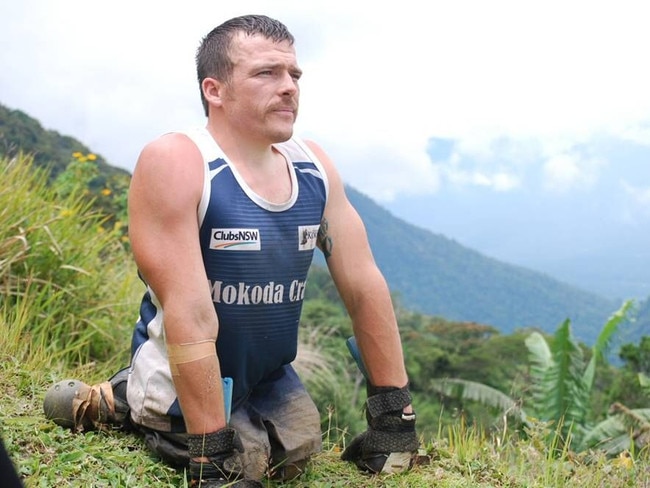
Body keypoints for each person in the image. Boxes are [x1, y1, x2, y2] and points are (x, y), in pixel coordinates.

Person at [44, 14, 418, 486]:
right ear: (214, 90)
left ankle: (126, 395)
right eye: (267, 73)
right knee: (244, 465)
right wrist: (210, 455)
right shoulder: (178, 162)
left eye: (294, 75)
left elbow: (364, 285)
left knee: (297, 449)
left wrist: (393, 417)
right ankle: (127, 399)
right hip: (185, 373)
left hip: (267, 376)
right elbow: (191, 313)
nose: (289, 88)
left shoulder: (314, 167)